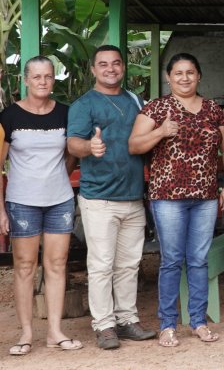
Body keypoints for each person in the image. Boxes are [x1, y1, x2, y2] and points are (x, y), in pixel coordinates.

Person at [128, 52, 224, 347]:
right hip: (167, 196)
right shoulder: (157, 108)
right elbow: (134, 145)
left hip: (204, 196)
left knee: (199, 260)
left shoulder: (213, 109)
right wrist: (161, 132)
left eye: (190, 72)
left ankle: (198, 322)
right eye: (178, 73)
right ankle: (167, 325)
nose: (184, 78)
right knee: (172, 261)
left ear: (199, 76)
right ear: (168, 77)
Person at [67, 44, 156, 349]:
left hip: (133, 196)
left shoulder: (134, 100)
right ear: (94, 70)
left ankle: (127, 320)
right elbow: (73, 144)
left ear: (123, 67)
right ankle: (104, 326)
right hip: (99, 199)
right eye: (103, 64)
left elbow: (145, 139)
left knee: (129, 264)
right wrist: (89, 148)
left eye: (116, 63)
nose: (110, 69)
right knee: (102, 264)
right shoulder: (84, 104)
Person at [0, 56, 82, 355]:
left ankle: (55, 332)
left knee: (57, 265)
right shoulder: (8, 117)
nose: (43, 82)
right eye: (36, 77)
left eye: (48, 76)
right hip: (22, 201)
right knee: (24, 267)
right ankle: (25, 334)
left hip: (59, 199)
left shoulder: (65, 113)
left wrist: (62, 173)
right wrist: (0, 210)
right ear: (25, 80)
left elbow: (72, 152)